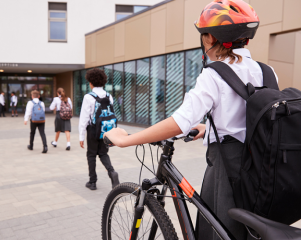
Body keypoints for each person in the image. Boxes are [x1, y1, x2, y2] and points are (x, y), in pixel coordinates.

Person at [104, 1, 273, 239]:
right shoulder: (266, 71)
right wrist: (212, 128)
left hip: (229, 167)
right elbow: (255, 115)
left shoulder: (213, 74)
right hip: (261, 166)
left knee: (218, 230)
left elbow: (179, 123)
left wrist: (126, 140)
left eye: (204, 34)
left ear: (211, 38)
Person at [79, 68, 120, 191]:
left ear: (90, 82)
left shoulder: (88, 97)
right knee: (103, 153)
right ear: (103, 82)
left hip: (92, 130)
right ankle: (112, 172)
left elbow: (84, 118)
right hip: (106, 130)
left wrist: (81, 136)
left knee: (91, 155)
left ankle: (92, 182)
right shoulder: (109, 96)